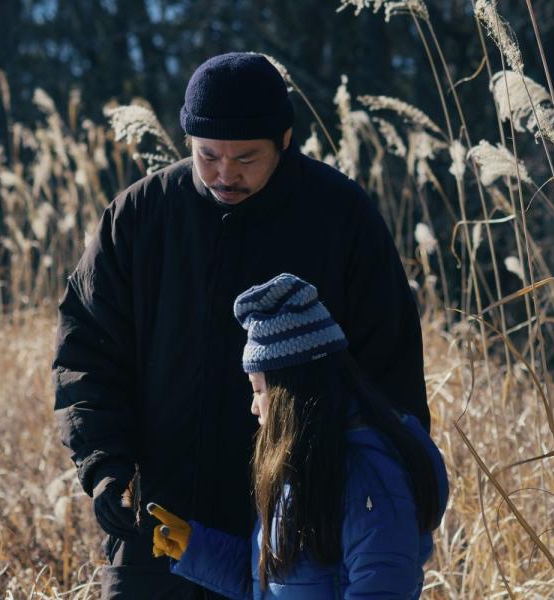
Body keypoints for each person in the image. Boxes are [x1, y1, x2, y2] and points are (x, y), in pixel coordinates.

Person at [52, 52, 428, 599]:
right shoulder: (139, 217)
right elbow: (86, 353)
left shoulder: (341, 218)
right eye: (207, 156)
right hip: (160, 526)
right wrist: (104, 464)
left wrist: (375, 495)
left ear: (286, 139)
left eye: (247, 158)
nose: (225, 173)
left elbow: (388, 375)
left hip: (298, 532)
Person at [148, 273, 449, 599]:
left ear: (289, 392)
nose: (253, 406)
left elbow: (383, 589)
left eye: (259, 389)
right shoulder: (304, 466)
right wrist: (196, 549)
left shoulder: (369, 475)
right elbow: (272, 585)